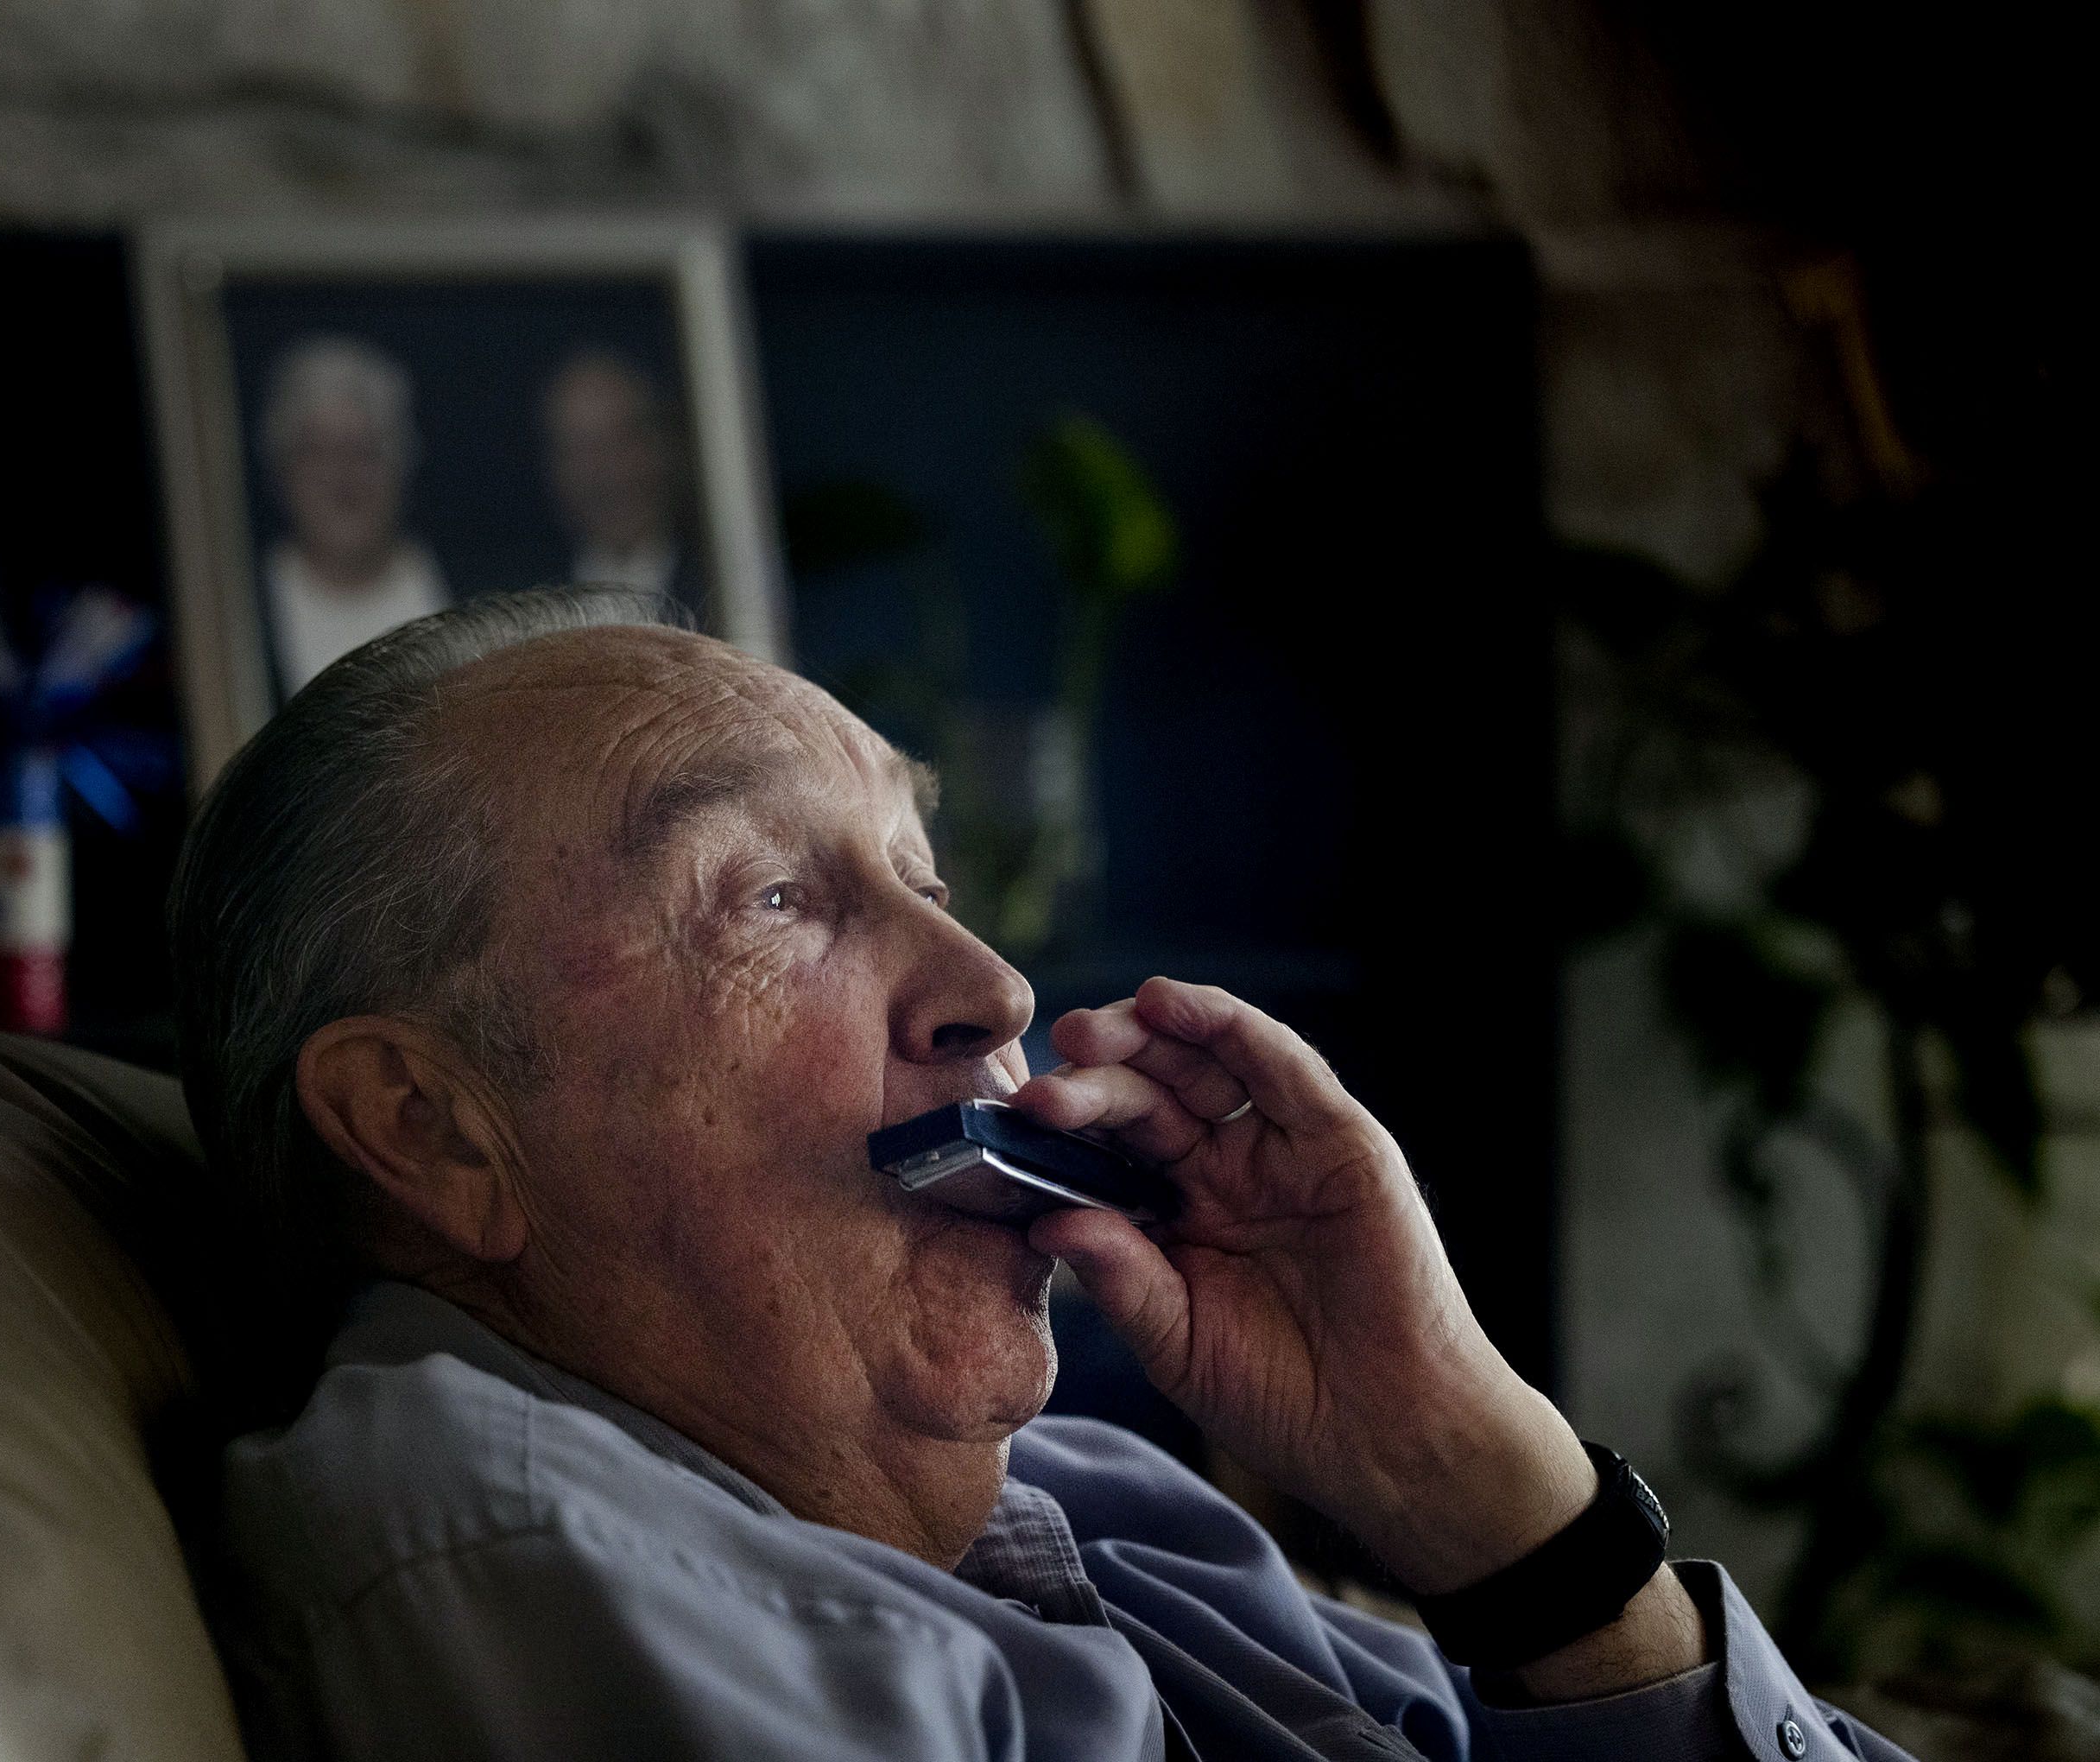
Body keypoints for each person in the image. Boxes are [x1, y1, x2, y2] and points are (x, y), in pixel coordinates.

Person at [169, 586, 1909, 1760]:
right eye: (773, 896)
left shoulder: (1109, 1507)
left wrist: (1490, 1500)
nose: (997, 990)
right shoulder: (532, 1556)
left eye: (923, 878)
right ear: (432, 1128)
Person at [255, 336, 450, 694]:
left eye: (365, 451)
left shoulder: (470, 589)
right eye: (318, 453)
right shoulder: (238, 607)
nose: (343, 475)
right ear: (282, 470)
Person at [541, 348, 696, 611]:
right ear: (556, 469)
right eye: (582, 449)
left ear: (664, 445)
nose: (612, 473)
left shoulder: (728, 587)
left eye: (627, 439)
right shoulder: (527, 613)